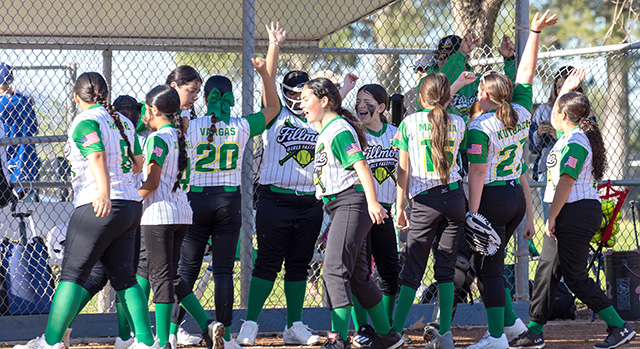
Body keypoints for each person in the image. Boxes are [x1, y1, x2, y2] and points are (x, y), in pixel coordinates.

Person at [13, 72, 156, 349]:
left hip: (99, 204)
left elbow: (97, 155)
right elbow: (139, 164)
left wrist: (103, 192)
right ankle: (146, 342)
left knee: (71, 275)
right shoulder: (124, 120)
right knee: (125, 279)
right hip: (130, 205)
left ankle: (51, 342)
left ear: (77, 97)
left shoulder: (85, 120)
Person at [171, 28, 281, 349]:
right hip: (229, 201)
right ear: (232, 97)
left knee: (186, 269)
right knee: (223, 270)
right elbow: (272, 110)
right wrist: (264, 75)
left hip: (195, 200)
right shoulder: (241, 125)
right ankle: (228, 334)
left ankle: (173, 329)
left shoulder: (188, 123)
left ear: (204, 98)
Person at [511, 68, 637, 349]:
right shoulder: (567, 135)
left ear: (565, 117)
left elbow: (566, 182)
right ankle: (534, 331)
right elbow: (557, 118)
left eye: (557, 111)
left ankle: (619, 326)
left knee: (575, 276)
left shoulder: (576, 141)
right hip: (568, 211)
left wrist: (552, 216)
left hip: (575, 211)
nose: (552, 114)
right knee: (546, 272)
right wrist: (566, 88)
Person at [464, 11, 556, 349]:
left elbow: (476, 173)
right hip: (516, 198)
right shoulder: (521, 112)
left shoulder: (480, 125)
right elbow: (528, 73)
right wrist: (534, 32)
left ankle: (496, 337)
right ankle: (513, 327)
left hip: (491, 198)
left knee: (487, 268)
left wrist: (472, 212)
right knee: (489, 262)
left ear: (486, 95)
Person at [235, 22, 323, 347]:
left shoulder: (319, 118)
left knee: (300, 263)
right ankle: (250, 323)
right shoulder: (276, 115)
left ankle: (294, 325)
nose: (299, 98)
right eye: (294, 92)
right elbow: (268, 82)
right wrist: (274, 46)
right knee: (268, 261)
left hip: (310, 201)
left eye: (305, 93)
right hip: (275, 198)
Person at [300, 77, 402, 349]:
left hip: (350, 203)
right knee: (357, 275)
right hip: (341, 205)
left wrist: (372, 202)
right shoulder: (330, 127)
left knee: (334, 271)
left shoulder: (338, 130)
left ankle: (338, 339)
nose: (302, 105)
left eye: (306, 99)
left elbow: (362, 166)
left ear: (323, 102)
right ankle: (387, 335)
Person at [139, 84, 226, 349]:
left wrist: (133, 199)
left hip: (159, 214)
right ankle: (206, 325)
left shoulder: (158, 138)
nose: (144, 113)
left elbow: (152, 181)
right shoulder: (180, 136)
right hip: (181, 212)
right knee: (171, 275)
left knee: (161, 278)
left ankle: (163, 341)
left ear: (154, 110)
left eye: (146, 108)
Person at [390, 72, 471, 349]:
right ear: (447, 97)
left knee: (412, 270)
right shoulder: (458, 122)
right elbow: (440, 113)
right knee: (445, 269)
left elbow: (403, 171)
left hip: (425, 202)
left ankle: (395, 331)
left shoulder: (409, 122)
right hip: (454, 199)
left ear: (421, 98)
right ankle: (445, 334)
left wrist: (399, 206)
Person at [349, 84, 401, 348]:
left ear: (381, 107)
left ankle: (386, 325)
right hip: (359, 210)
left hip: (386, 211)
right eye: (358, 100)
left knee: (390, 271)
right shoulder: (354, 133)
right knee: (360, 272)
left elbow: (404, 172)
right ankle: (363, 327)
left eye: (367, 101)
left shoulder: (395, 134)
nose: (361, 106)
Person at [407, 33, 516, 118]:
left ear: (466, 59)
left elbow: (507, 91)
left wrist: (509, 59)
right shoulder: (426, 82)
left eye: (451, 55)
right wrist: (461, 53)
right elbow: (444, 78)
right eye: (442, 55)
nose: (446, 59)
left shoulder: (477, 80)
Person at [528, 66, 582, 222]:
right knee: (550, 220)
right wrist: (539, 134)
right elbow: (532, 148)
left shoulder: (582, 111)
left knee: (570, 221)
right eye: (558, 87)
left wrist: (557, 133)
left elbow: (585, 141)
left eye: (565, 86)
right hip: (547, 169)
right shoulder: (543, 110)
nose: (561, 91)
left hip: (572, 170)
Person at [0, 63, 39, 200]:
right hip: (28, 167)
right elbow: (34, 129)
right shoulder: (25, 100)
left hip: (7, 168)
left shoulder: (1, 103)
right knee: (28, 214)